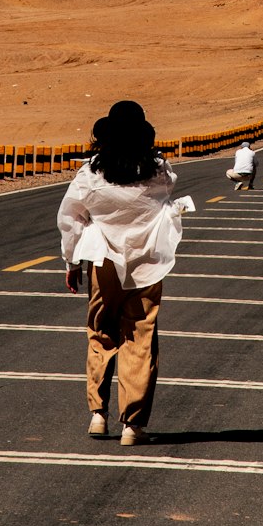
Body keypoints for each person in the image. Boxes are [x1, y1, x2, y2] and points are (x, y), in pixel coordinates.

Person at [57, 100, 193, 447]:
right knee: (140, 339)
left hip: (102, 261)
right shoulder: (159, 172)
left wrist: (72, 262)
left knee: (101, 333)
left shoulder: (91, 173)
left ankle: (98, 415)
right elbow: (167, 192)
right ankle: (133, 425)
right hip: (146, 263)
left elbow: (72, 218)